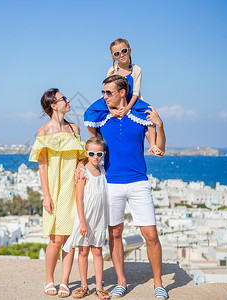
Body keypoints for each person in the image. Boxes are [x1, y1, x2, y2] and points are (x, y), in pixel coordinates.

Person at [84, 75, 168, 299]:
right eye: (103, 93)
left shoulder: (140, 117)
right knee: (115, 233)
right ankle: (122, 281)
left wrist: (160, 125)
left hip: (139, 182)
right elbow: (93, 148)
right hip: (111, 183)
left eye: (108, 93)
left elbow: (158, 149)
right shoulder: (101, 120)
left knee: (150, 234)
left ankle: (158, 284)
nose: (104, 97)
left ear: (123, 93)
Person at [29, 88, 86, 297]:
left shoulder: (75, 128)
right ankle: (49, 279)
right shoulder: (43, 132)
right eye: (64, 99)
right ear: (54, 105)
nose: (68, 100)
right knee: (55, 238)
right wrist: (46, 195)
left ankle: (64, 281)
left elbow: (82, 157)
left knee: (69, 237)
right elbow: (42, 166)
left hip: (73, 189)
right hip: (54, 188)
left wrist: (81, 166)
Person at [84, 38, 163, 157]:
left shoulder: (136, 69)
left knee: (149, 112)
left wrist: (127, 108)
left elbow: (136, 91)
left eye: (124, 51)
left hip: (132, 98)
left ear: (129, 51)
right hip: (112, 98)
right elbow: (107, 90)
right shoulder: (112, 70)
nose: (121, 55)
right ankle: (95, 143)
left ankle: (152, 144)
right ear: (113, 56)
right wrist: (111, 109)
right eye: (117, 53)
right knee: (90, 112)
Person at [63, 137, 110, 299]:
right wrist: (82, 222)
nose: (95, 157)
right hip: (85, 217)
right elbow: (79, 198)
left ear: (103, 154)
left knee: (97, 250)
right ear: (86, 153)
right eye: (91, 153)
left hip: (99, 218)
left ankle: (99, 286)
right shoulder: (83, 172)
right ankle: (84, 285)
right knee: (83, 251)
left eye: (99, 154)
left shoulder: (103, 171)